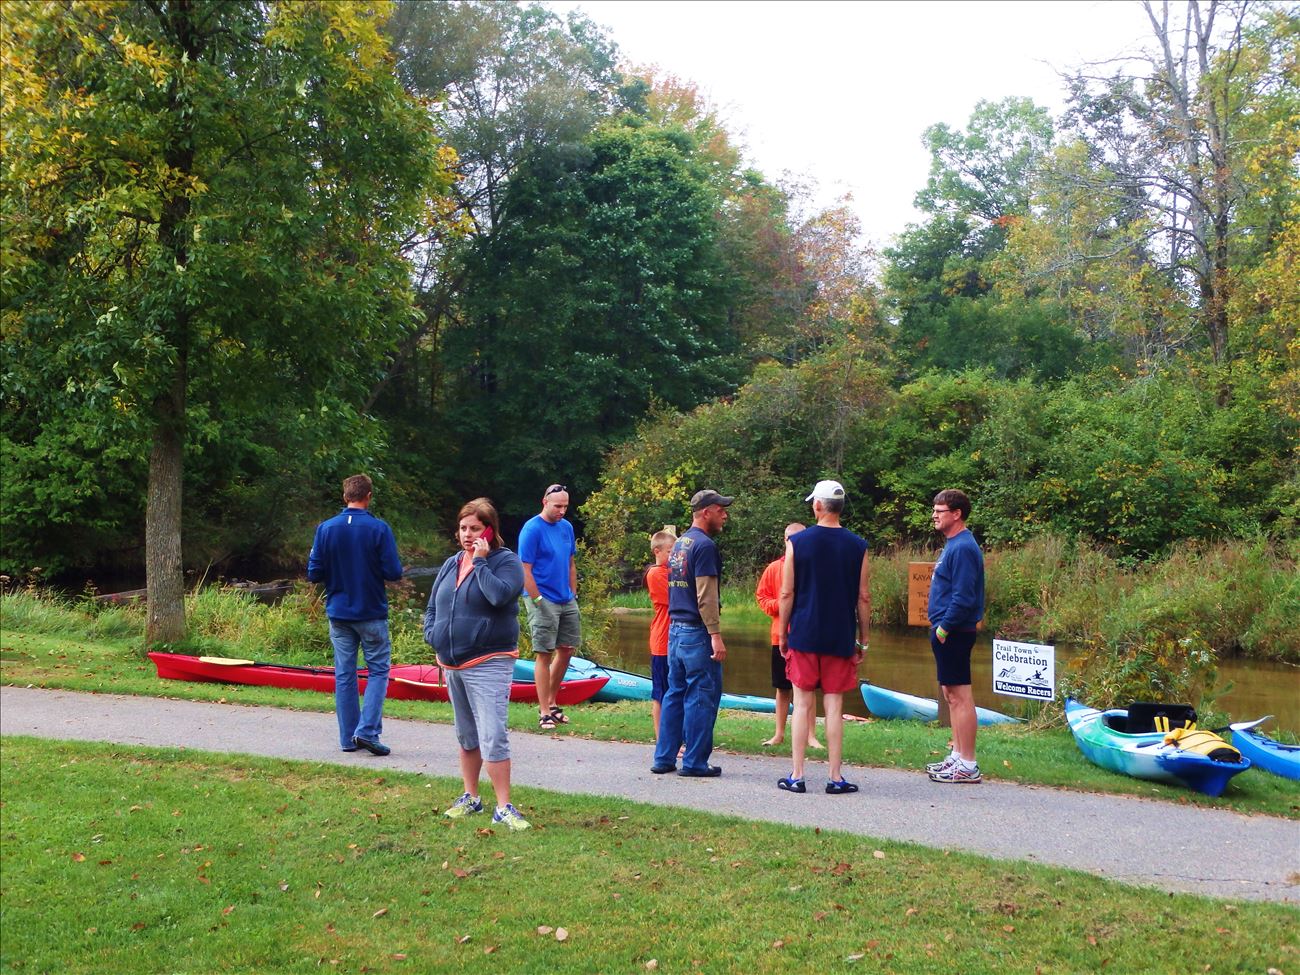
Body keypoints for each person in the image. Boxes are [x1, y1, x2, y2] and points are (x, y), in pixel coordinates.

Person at [423, 498, 531, 830]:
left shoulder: (506, 562)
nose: (468, 535)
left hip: (489, 662)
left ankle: (504, 806)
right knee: (466, 734)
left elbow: (499, 596)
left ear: (490, 529)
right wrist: (433, 634)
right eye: (463, 528)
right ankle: (471, 797)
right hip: (453, 664)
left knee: (492, 734)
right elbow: (433, 605)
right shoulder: (451, 563)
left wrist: (481, 562)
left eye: (475, 528)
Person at [777, 480, 871, 795]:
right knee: (834, 705)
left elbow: (787, 592)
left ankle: (797, 775)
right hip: (839, 634)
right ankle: (835, 776)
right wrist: (864, 639)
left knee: (802, 704)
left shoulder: (798, 542)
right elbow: (863, 597)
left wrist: (782, 633)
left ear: (817, 505)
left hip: (804, 632)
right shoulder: (858, 546)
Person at [307, 474, 404, 756]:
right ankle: (368, 731)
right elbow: (393, 572)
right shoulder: (379, 529)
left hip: (339, 611)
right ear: (369, 496)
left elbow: (314, 572)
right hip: (371, 610)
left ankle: (348, 738)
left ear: (344, 496)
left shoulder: (325, 529)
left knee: (345, 674)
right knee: (378, 670)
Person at [651, 489, 733, 777]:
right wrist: (716, 634)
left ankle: (664, 757)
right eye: (721, 508)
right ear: (706, 511)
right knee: (702, 694)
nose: (725, 514)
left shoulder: (681, 543)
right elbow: (706, 595)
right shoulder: (705, 545)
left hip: (675, 631)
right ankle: (695, 762)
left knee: (675, 693)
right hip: (697, 632)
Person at [925, 488, 986, 784]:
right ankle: (957, 756)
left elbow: (963, 597)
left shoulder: (963, 547)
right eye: (934, 510)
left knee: (961, 697)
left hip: (955, 631)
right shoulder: (954, 544)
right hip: (949, 630)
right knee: (951, 696)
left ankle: (969, 763)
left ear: (957, 514)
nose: (934, 515)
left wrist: (943, 629)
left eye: (940, 511)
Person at [755, 522, 823, 750]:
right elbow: (762, 597)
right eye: (790, 540)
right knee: (782, 687)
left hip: (807, 636)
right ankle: (779, 733)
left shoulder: (813, 568)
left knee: (808, 687)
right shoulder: (774, 568)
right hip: (780, 636)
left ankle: (811, 735)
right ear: (784, 541)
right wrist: (782, 606)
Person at [519, 483, 581, 731]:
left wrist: (573, 593)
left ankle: (552, 703)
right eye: (558, 506)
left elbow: (570, 563)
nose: (562, 511)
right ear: (544, 502)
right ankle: (544, 711)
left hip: (566, 598)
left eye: (565, 506)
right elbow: (525, 570)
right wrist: (537, 600)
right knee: (544, 653)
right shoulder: (532, 529)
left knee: (566, 649)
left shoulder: (566, 527)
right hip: (541, 597)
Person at [644, 529, 676, 739]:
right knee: (661, 693)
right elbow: (678, 597)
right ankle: (661, 738)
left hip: (673, 641)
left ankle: (674, 736)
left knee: (673, 691)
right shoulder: (656, 574)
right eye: (670, 552)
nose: (674, 556)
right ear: (657, 551)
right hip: (661, 642)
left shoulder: (671, 571)